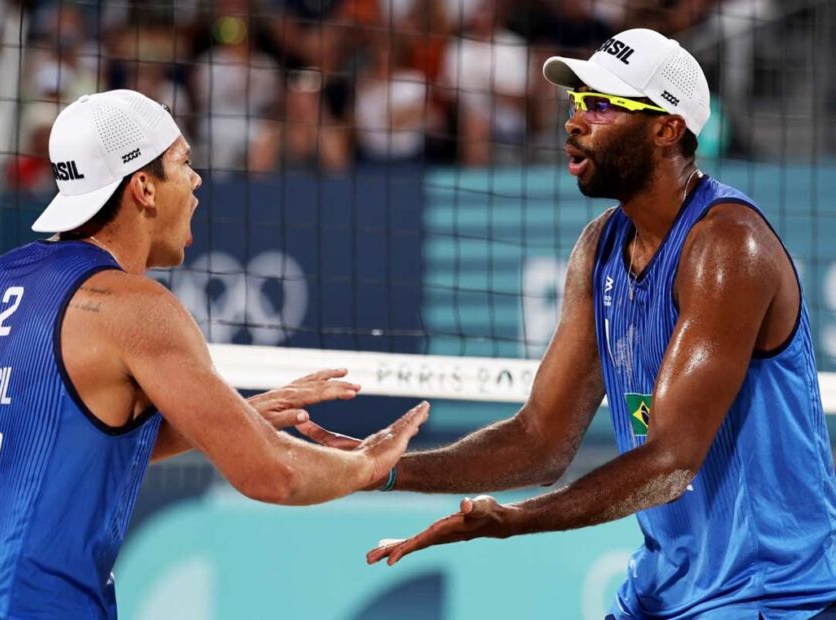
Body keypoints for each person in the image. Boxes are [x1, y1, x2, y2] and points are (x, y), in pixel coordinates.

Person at [301, 29, 836, 617]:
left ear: (667, 128)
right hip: (664, 589)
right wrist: (380, 470)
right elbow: (541, 442)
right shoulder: (600, 245)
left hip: (773, 594)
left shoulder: (728, 246)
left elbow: (672, 462)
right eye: (577, 101)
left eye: (602, 104)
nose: (575, 120)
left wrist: (515, 520)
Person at [0, 89, 428, 619]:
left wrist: (232, 420)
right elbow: (275, 474)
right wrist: (369, 464)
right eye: (183, 162)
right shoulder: (134, 307)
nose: (198, 179)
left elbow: (65, 442)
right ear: (144, 188)